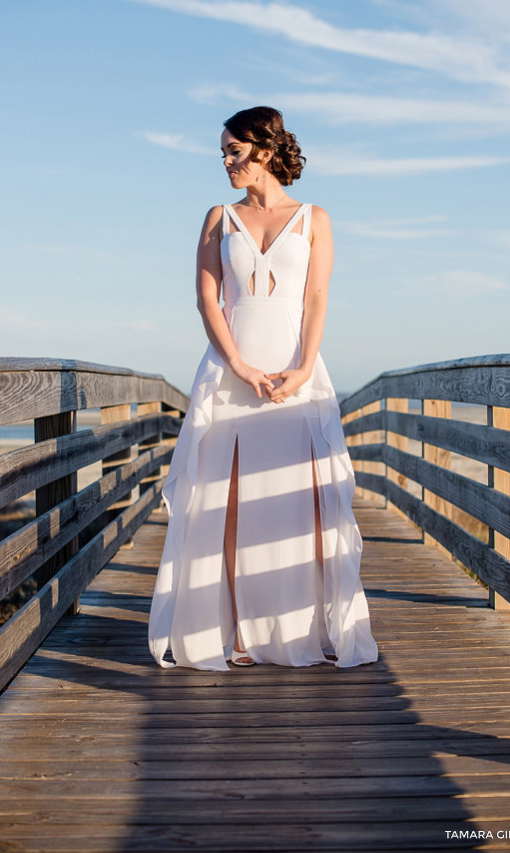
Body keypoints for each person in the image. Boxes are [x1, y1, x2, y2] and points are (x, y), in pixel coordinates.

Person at [148, 106, 378, 670]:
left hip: (297, 372)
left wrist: (303, 367)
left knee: (304, 502)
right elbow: (207, 299)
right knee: (223, 504)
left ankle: (301, 627)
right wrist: (239, 366)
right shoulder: (218, 217)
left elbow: (317, 299)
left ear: (265, 151)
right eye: (223, 152)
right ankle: (236, 634)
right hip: (229, 375)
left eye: (234, 151)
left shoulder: (314, 218)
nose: (225, 162)